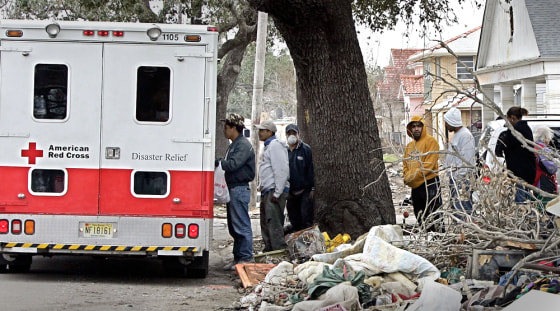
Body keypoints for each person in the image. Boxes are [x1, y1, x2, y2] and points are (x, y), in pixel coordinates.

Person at [216, 114, 256, 270]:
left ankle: (245, 257)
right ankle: (238, 257)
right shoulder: (235, 144)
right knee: (234, 226)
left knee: (241, 225)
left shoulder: (243, 145)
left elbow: (233, 164)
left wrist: (220, 162)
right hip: (233, 188)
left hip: (239, 189)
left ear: (233, 128)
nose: (224, 131)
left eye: (226, 128)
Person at [403, 116, 443, 232]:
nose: (416, 129)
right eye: (413, 126)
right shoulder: (409, 146)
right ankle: (426, 237)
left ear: (423, 127)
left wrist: (412, 177)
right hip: (416, 187)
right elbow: (405, 165)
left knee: (434, 214)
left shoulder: (431, 142)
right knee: (419, 214)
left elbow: (429, 166)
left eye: (419, 126)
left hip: (430, 183)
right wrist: (408, 177)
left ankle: (438, 238)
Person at [256, 120, 290, 251]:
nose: (259, 133)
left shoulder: (276, 146)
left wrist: (278, 191)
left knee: (273, 222)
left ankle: (278, 250)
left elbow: (281, 169)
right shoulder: (267, 147)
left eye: (262, 130)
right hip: (267, 190)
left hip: (274, 191)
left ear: (269, 132)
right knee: (265, 222)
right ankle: (269, 249)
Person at [495, 107, 536, 202]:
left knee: (520, 202)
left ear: (512, 117)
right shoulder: (526, 128)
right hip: (527, 172)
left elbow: (505, 146)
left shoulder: (515, 131)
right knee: (525, 199)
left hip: (518, 173)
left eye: (508, 119)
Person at [443, 107, 476, 217]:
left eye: (447, 122)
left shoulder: (465, 135)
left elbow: (467, 160)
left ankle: (465, 231)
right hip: (455, 178)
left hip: (462, 180)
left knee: (462, 209)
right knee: (456, 209)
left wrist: (460, 178)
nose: (446, 125)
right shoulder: (458, 135)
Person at [285, 124, 315, 233]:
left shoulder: (305, 149)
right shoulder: (284, 150)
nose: (292, 135)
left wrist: (312, 188)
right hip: (290, 192)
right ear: (286, 135)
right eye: (289, 133)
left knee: (306, 219)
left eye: (294, 133)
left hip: (304, 192)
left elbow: (310, 169)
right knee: (294, 220)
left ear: (298, 134)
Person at [532, 126, 558, 204]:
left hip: (535, 181)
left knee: (537, 203)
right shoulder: (544, 150)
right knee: (545, 204)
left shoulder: (533, 147)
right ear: (546, 137)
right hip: (544, 181)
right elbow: (552, 168)